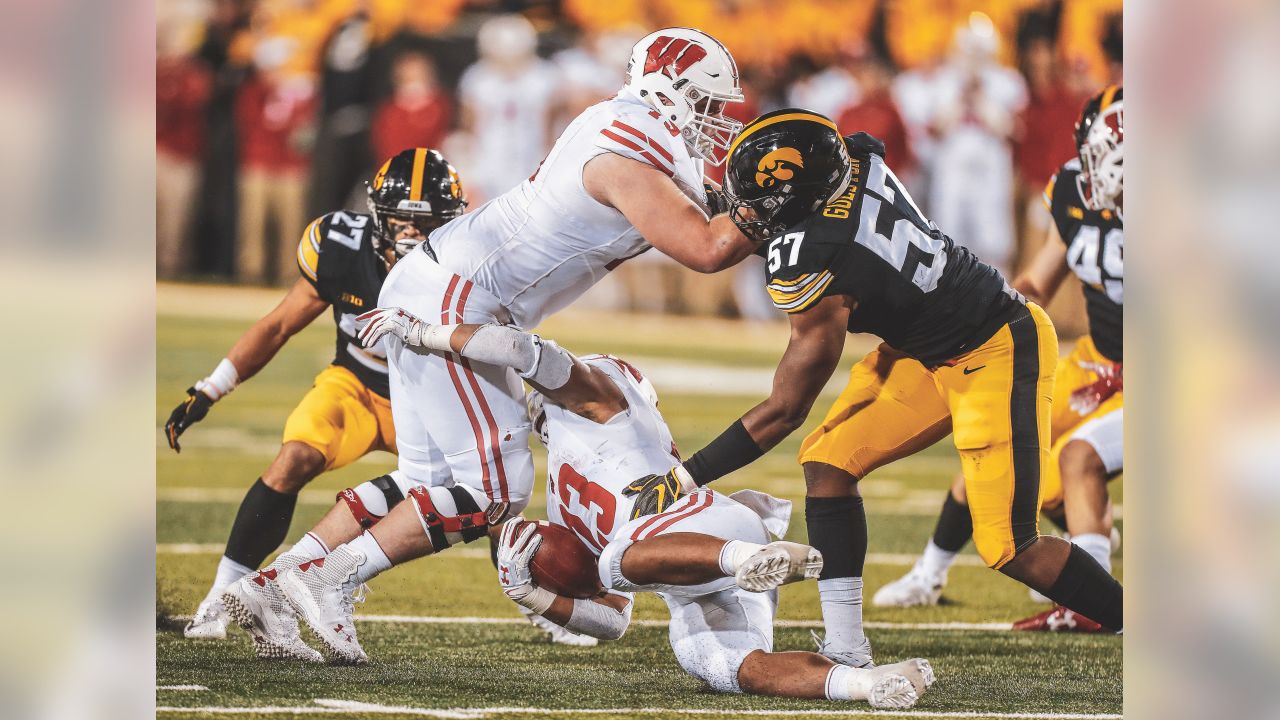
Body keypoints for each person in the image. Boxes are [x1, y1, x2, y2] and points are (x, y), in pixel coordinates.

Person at [254, 27, 758, 664]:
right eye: (708, 105)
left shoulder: (626, 122)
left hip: (438, 282)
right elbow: (707, 249)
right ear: (670, 92)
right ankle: (328, 582)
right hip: (461, 300)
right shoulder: (628, 146)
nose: (715, 121)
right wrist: (781, 202)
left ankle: (275, 584)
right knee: (493, 487)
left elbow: (707, 212)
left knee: (425, 479)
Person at [645, 109, 1123, 669]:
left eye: (761, 203)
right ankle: (848, 648)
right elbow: (808, 174)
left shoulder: (819, 260)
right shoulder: (853, 157)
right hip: (926, 347)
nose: (749, 213)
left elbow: (784, 408)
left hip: (997, 347)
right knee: (829, 461)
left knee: (1009, 546)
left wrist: (685, 475)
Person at [345, 315, 935, 708]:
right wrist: (536, 598)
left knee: (613, 560)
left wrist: (425, 333)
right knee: (715, 664)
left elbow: (522, 349)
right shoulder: (562, 491)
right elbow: (612, 620)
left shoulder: (602, 407)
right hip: (690, 570)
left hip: (709, 526)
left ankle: (754, 558)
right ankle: (865, 684)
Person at [165, 148, 466, 646]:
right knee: (293, 459)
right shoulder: (341, 245)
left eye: (426, 223)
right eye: (401, 223)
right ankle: (219, 598)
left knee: (490, 497)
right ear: (377, 218)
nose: (412, 235)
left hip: (431, 399)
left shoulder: (469, 262)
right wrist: (211, 388)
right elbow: (280, 324)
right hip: (356, 386)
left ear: (450, 223)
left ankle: (543, 600)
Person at [876, 87, 1124, 634]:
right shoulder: (1076, 194)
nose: (1096, 169)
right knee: (991, 437)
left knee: (1076, 461)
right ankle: (930, 573)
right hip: (1098, 361)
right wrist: (991, 322)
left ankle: (1093, 599)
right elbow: (1040, 278)